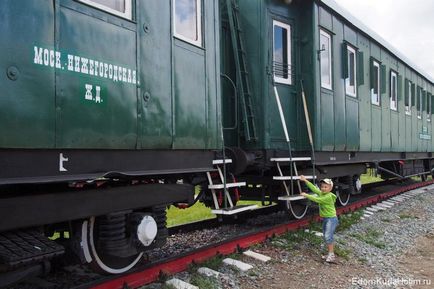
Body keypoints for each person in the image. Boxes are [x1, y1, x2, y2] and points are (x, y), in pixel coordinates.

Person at [299, 175, 338, 263]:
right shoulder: (322, 193)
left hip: (331, 219)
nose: (323, 188)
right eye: (322, 186)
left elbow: (317, 200)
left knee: (328, 236)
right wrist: (305, 180)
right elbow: (314, 189)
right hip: (326, 219)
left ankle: (331, 255)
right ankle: (330, 253)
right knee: (326, 236)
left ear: (330, 188)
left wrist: (306, 195)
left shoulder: (328, 197)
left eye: (325, 187)